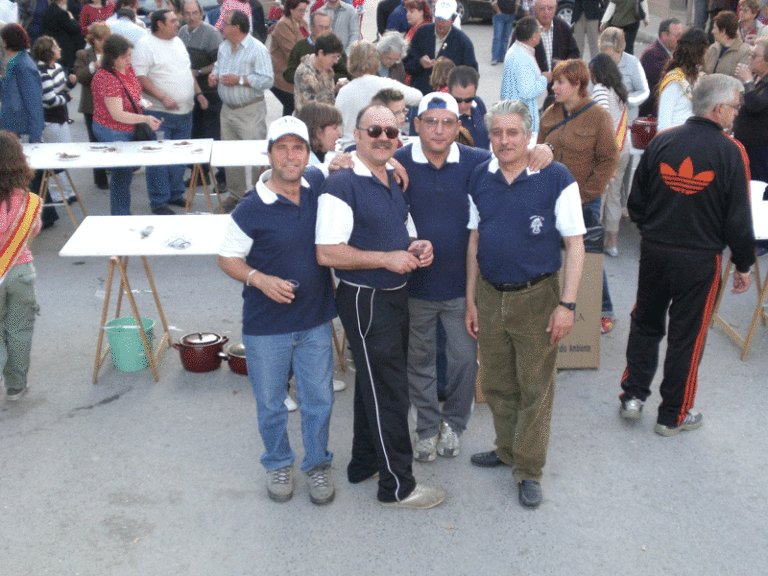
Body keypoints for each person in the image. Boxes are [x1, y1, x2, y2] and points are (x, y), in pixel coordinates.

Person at [315, 103, 446, 510]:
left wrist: (416, 246)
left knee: (372, 384)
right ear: (357, 136)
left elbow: (403, 235)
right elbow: (327, 252)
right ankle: (398, 486)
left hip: (391, 295)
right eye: (374, 131)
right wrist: (386, 259)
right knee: (389, 391)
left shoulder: (391, 177)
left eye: (391, 133)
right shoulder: (341, 184)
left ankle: (364, 463)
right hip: (365, 297)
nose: (383, 138)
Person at [618, 74, 755, 436]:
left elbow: (636, 202)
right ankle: (673, 414)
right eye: (735, 107)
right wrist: (743, 264)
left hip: (656, 251)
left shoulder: (663, 142)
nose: (737, 114)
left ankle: (632, 397)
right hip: (700, 259)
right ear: (719, 108)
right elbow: (738, 218)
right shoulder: (731, 152)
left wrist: (655, 232)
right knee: (688, 335)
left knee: (645, 321)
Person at [466, 99, 586, 509]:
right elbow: (474, 239)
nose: (504, 140)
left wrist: (567, 305)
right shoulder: (479, 177)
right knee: (499, 383)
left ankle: (529, 469)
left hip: (538, 298)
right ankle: (506, 450)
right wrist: (471, 300)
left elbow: (575, 243)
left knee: (535, 387)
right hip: (489, 294)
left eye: (512, 132)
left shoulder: (555, 176)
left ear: (528, 133)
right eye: (496, 133)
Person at [217, 116, 337, 505]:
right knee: (271, 403)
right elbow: (227, 257)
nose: (290, 156)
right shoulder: (251, 207)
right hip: (266, 327)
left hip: (316, 319)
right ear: (269, 154)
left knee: (319, 399)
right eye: (281, 148)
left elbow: (346, 161)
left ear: (307, 153)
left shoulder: (317, 184)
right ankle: (278, 462)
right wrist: (260, 279)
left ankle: (318, 465)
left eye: (297, 148)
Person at [538, 59, 619, 333]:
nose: (554, 86)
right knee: (554, 253)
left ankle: (603, 308)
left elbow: (609, 159)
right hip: (550, 197)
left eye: (560, 82)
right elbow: (539, 149)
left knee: (586, 253)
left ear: (577, 85)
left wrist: (587, 195)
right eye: (555, 81)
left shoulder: (598, 116)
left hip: (583, 199)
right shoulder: (551, 112)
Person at [133, 9, 206, 215]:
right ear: (160, 25)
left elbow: (186, 71)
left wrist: (198, 94)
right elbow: (140, 77)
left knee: (180, 157)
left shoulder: (178, 41)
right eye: (173, 20)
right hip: (160, 115)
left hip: (186, 112)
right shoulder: (145, 45)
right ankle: (158, 201)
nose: (178, 23)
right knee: (159, 159)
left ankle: (175, 194)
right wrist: (163, 96)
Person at [209, 9, 273, 212]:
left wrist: (241, 80)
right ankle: (236, 195)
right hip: (227, 110)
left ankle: (259, 196)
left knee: (256, 156)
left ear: (237, 27)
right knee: (231, 155)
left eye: (225, 23)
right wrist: (214, 74)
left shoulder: (257, 49)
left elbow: (267, 79)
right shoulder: (224, 46)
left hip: (249, 110)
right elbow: (219, 66)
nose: (221, 26)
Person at [91, 33, 162, 215]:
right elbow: (117, 114)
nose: (129, 60)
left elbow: (133, 92)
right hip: (112, 128)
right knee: (122, 174)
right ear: (112, 57)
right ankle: (120, 216)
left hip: (129, 122)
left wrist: (141, 102)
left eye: (130, 55)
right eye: (124, 56)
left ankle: (132, 209)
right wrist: (145, 118)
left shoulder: (126, 69)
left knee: (130, 170)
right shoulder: (106, 77)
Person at [0, 24, 58, 229]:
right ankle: (46, 214)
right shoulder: (17, 61)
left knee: (28, 174)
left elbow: (34, 102)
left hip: (22, 128)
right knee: (29, 174)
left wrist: (35, 134)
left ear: (6, 42)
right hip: (16, 126)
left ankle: (43, 215)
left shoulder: (23, 64)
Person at [0, 130, 43, 402]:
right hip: (19, 270)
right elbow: (34, 230)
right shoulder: (29, 201)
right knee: (19, 330)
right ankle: (16, 385)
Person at [334, 40, 421, 151]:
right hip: (383, 146)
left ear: (350, 61)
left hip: (352, 148)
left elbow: (339, 125)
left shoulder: (344, 91)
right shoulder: (387, 84)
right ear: (376, 60)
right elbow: (418, 97)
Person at [590, 53, 629, 257]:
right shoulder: (619, 90)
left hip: (608, 151)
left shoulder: (600, 89)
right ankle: (612, 243)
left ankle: (594, 241)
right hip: (623, 148)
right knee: (615, 195)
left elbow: (601, 119)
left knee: (600, 196)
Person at [32, 36, 78, 203]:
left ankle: (68, 191)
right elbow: (51, 100)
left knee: (66, 153)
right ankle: (61, 193)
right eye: (56, 47)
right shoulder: (41, 72)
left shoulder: (58, 67)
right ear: (48, 52)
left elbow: (61, 90)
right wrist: (66, 96)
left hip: (60, 117)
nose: (59, 49)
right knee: (58, 156)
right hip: (51, 119)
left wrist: (70, 84)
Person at [178, 1, 223, 169]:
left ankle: (221, 175)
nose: (191, 17)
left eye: (195, 13)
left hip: (211, 92)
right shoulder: (182, 32)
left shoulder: (211, 34)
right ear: (182, 15)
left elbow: (220, 62)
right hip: (192, 93)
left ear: (202, 12)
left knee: (213, 137)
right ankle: (200, 176)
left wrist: (199, 71)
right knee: (195, 135)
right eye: (188, 13)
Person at [403, 0, 477, 96]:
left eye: (445, 19)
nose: (440, 23)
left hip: (448, 99)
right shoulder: (421, 33)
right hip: (420, 96)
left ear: (453, 19)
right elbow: (406, 65)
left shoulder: (463, 42)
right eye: (438, 18)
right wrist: (420, 62)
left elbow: (472, 76)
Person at [74, 21, 111, 190]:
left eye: (105, 38)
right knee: (95, 141)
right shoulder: (83, 54)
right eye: (99, 39)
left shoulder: (114, 53)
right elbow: (80, 77)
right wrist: (92, 67)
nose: (102, 42)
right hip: (92, 105)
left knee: (111, 139)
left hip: (111, 104)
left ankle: (114, 169)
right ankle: (100, 177)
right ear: (93, 39)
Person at [522, 0, 579, 108]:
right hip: (533, 96)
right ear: (534, 8)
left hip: (558, 93)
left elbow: (575, 53)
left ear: (556, 7)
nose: (546, 12)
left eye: (550, 8)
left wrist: (565, 63)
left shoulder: (562, 27)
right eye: (542, 8)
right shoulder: (525, 29)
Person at [501, 16, 547, 135]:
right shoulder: (521, 57)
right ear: (534, 36)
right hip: (524, 120)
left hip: (518, 115)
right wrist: (544, 79)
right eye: (539, 30)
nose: (540, 34)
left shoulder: (519, 51)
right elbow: (527, 92)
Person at [657, 28, 709, 132]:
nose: (707, 53)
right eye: (705, 49)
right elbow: (663, 124)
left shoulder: (699, 78)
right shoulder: (674, 80)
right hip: (675, 139)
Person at [283, 9, 349, 89]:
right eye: (320, 27)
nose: (324, 31)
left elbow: (346, 74)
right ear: (311, 27)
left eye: (327, 28)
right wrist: (308, 77)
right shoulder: (300, 46)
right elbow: (288, 73)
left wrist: (325, 77)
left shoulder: (336, 46)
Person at [598, 27, 649, 125]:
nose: (606, 61)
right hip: (604, 124)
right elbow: (589, 93)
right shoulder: (597, 63)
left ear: (620, 51)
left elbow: (644, 91)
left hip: (626, 124)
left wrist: (627, 100)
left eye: (611, 56)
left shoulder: (633, 63)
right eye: (604, 56)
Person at [734, 37, 768, 182]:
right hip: (743, 145)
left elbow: (756, 105)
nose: (750, 58)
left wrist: (747, 81)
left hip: (760, 149)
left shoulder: (754, 79)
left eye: (754, 56)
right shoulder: (756, 77)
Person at [270, 0, 309, 116]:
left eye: (305, 10)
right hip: (282, 77)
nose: (303, 13)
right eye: (300, 10)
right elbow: (292, 53)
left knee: (293, 108)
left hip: (296, 75)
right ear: (291, 9)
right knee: (293, 105)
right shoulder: (284, 24)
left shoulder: (301, 22)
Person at [638, 17, 683, 117]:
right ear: (664, 35)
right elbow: (671, 78)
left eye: (682, 35)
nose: (680, 39)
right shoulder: (652, 54)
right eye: (677, 35)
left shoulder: (671, 53)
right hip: (652, 115)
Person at [293, 32, 343, 112]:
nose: (336, 61)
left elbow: (325, 95)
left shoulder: (328, 69)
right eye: (333, 57)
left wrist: (337, 89)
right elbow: (308, 109)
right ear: (320, 53)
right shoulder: (305, 73)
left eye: (337, 57)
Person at [448, 65, 489, 149]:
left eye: (468, 100)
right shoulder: (443, 117)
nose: (463, 105)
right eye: (458, 100)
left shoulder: (478, 103)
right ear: (449, 92)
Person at [705, 11, 752, 76]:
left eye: (715, 28)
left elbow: (741, 80)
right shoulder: (713, 48)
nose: (712, 32)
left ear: (723, 31)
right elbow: (702, 70)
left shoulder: (744, 52)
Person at [41, 0, 84, 71]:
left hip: (51, 46)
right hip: (64, 49)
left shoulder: (47, 11)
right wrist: (72, 18)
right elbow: (76, 29)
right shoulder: (62, 14)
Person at [490, 0, 518, 66]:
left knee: (506, 37)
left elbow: (518, 1)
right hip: (500, 16)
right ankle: (495, 58)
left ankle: (502, 57)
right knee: (497, 37)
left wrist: (515, 10)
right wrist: (498, 11)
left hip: (510, 16)